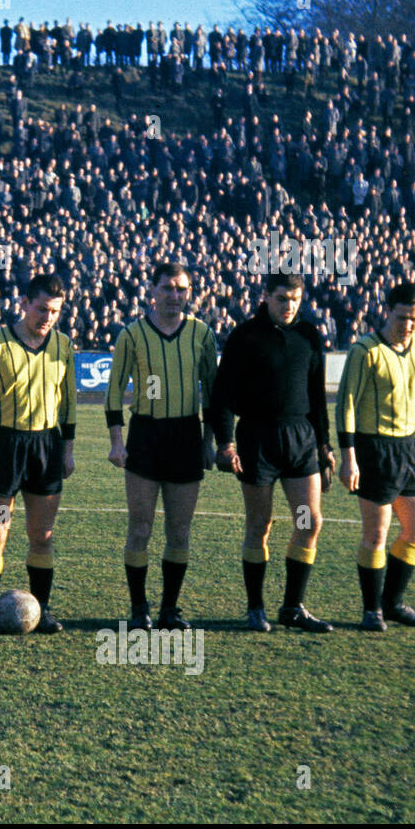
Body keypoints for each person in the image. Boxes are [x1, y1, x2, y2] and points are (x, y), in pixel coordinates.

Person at [211, 271, 335, 632]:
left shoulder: (308, 335)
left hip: (300, 441)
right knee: (259, 525)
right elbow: (222, 396)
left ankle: (293, 607)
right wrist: (225, 442)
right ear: (266, 297)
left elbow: (316, 396)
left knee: (307, 521)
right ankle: (255, 608)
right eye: (282, 299)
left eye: (295, 299)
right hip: (257, 440)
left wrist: (324, 445)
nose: (289, 306)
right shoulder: (245, 336)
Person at [105, 262, 218, 631]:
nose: (174, 295)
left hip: (186, 436)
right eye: (167, 288)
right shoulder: (132, 335)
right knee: (140, 528)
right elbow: (113, 393)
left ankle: (171, 609)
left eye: (181, 289)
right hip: (146, 436)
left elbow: (212, 394)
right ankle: (139, 609)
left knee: (179, 532)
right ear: (152, 291)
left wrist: (208, 442)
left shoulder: (201, 334)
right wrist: (117, 443)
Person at [0, 273, 76, 636]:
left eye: (55, 311)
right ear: (25, 303)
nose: (47, 317)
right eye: (42, 308)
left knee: (42, 534)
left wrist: (68, 450)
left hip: (45, 449)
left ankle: (42, 612)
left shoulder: (62, 345)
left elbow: (69, 402)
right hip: (4, 450)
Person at [337, 282, 415, 631]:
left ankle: (393, 602)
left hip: (408, 448)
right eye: (402, 317)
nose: (409, 325)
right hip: (374, 449)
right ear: (387, 311)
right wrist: (348, 456)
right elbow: (346, 405)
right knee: (377, 535)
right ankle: (372, 610)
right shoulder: (365, 350)